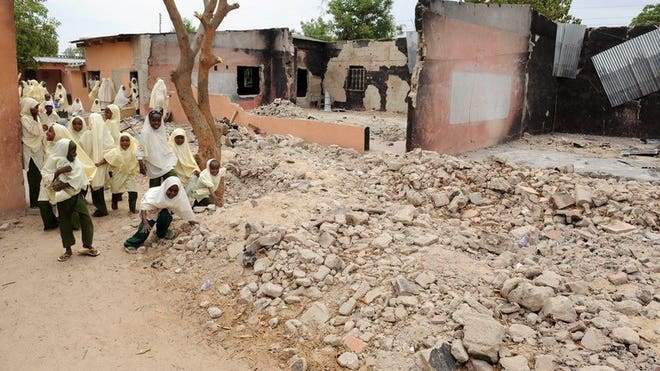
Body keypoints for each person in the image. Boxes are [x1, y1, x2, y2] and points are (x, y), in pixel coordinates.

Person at [47, 139, 99, 262]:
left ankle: (87, 245)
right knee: (64, 223)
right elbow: (46, 176)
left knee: (85, 218)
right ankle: (68, 250)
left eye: (75, 151)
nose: (74, 154)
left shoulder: (77, 163)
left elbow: (79, 176)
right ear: (64, 151)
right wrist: (59, 171)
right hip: (62, 199)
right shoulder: (53, 161)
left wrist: (65, 184)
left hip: (75, 196)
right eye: (72, 151)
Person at [124, 176, 196, 252]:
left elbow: (183, 208)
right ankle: (131, 243)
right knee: (145, 229)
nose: (172, 193)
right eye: (170, 190)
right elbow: (144, 208)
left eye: (175, 191)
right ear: (165, 188)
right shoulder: (154, 194)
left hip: (162, 209)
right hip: (150, 211)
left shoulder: (177, 197)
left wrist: (190, 219)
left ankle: (162, 233)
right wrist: (145, 222)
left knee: (166, 216)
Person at [97, 133, 139, 213]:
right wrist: (99, 164)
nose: (125, 142)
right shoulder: (115, 151)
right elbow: (106, 158)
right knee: (116, 191)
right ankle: (114, 202)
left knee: (133, 191)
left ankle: (132, 209)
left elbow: (140, 156)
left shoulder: (133, 150)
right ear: (119, 141)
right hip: (117, 174)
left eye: (127, 140)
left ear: (130, 141)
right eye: (122, 140)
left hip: (129, 175)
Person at [82, 113, 114, 217]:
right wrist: (102, 162)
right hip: (100, 165)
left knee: (90, 186)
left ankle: (98, 209)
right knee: (97, 186)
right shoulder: (106, 134)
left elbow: (82, 148)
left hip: (92, 165)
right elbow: (111, 150)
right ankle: (101, 208)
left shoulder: (87, 134)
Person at [137, 110, 177, 187]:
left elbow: (165, 146)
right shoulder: (146, 133)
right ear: (149, 121)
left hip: (164, 162)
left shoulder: (162, 130)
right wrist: (141, 164)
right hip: (152, 164)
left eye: (159, 121)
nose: (156, 123)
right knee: (155, 186)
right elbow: (140, 148)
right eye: (154, 120)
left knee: (173, 178)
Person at [20, 97, 45, 208]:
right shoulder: (25, 118)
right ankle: (34, 202)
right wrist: (35, 117)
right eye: (34, 107)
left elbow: (39, 131)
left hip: (38, 149)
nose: (37, 110)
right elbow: (35, 131)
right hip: (30, 150)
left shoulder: (35, 118)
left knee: (39, 175)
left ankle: (40, 200)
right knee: (32, 176)